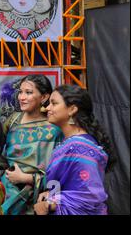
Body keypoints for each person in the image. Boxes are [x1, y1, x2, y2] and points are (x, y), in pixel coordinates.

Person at [34, 85, 114, 215]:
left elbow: (89, 197)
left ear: (72, 109)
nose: (47, 108)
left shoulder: (80, 147)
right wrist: (51, 195)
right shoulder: (72, 143)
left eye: (53, 103)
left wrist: (49, 205)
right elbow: (71, 187)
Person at [1, 74, 63, 215]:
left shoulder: (54, 128)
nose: (21, 97)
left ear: (44, 97)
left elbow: (60, 172)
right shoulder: (13, 120)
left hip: (38, 199)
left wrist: (26, 179)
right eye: (20, 92)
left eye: (28, 93)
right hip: (7, 193)